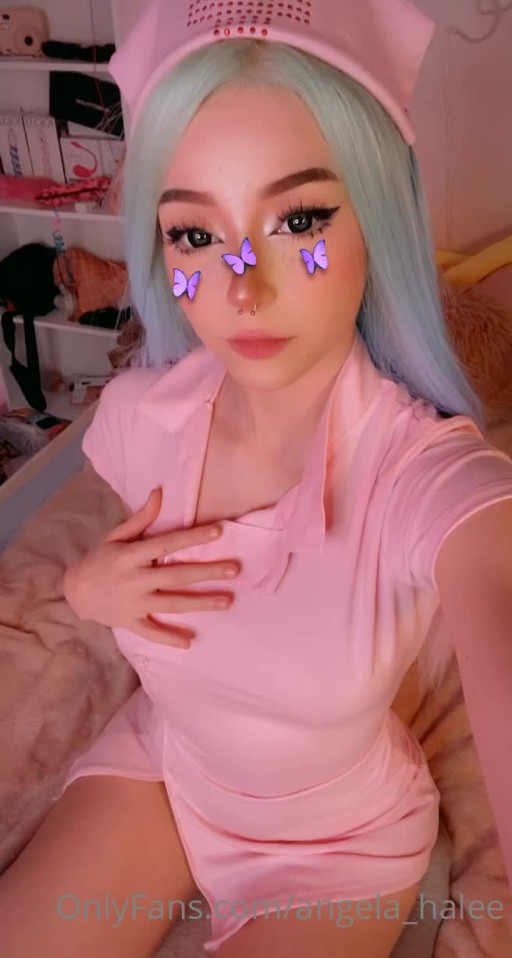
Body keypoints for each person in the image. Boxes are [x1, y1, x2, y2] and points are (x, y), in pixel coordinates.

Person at [2, 1, 512, 956]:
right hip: (165, 769)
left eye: (298, 219)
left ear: (377, 218)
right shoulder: (138, 418)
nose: (244, 287)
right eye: (195, 234)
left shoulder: (424, 474)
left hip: (338, 854)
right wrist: (84, 590)